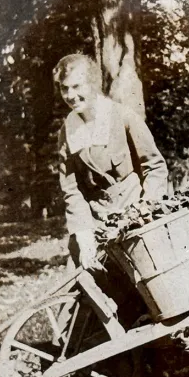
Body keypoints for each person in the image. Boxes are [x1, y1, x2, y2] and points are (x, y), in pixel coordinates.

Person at [54, 54, 168, 322]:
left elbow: (154, 166)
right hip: (95, 218)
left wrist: (146, 207)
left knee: (150, 283)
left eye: (77, 86)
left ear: (94, 84)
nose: (71, 95)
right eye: (64, 88)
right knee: (82, 275)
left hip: (135, 209)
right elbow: (71, 189)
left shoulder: (121, 117)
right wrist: (84, 236)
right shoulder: (68, 132)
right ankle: (82, 348)